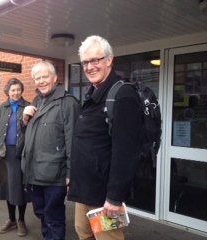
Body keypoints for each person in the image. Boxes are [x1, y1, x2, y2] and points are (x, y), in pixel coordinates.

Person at [67, 35, 143, 240]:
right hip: (85, 188)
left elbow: (126, 153)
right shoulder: (95, 92)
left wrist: (115, 197)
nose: (90, 67)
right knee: (83, 232)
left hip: (104, 195)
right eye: (85, 62)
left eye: (95, 60)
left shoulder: (122, 94)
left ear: (109, 60)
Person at [21, 60, 81, 240]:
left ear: (55, 78)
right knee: (41, 213)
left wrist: (71, 172)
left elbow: (74, 142)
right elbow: (31, 134)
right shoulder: (37, 100)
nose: (41, 81)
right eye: (37, 78)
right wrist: (24, 121)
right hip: (34, 172)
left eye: (44, 76)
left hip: (55, 174)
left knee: (53, 217)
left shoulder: (68, 103)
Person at [0, 78, 31, 237]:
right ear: (7, 91)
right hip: (5, 154)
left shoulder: (28, 107)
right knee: (8, 188)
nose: (15, 93)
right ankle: (11, 219)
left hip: (21, 154)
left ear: (21, 91)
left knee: (20, 189)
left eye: (18, 90)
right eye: (12, 90)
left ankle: (21, 220)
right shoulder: (1, 108)